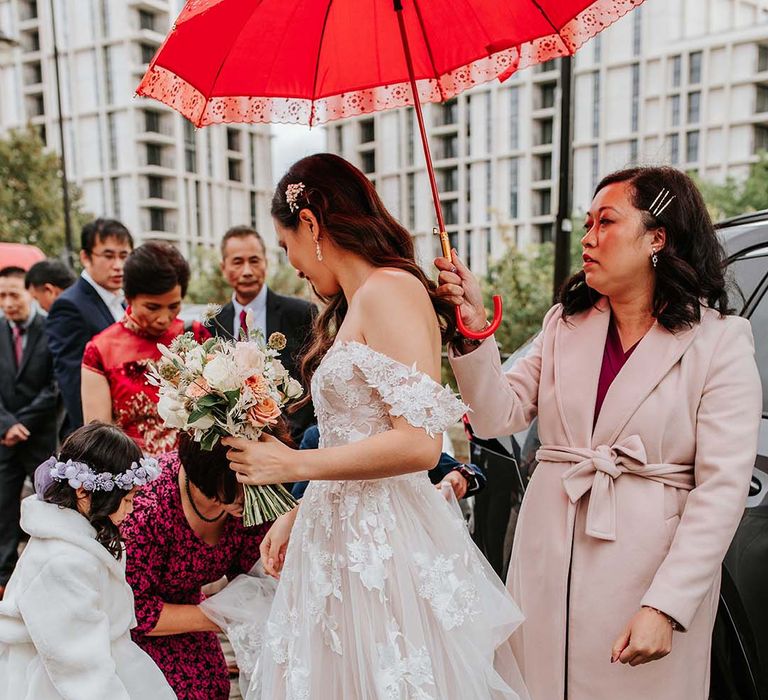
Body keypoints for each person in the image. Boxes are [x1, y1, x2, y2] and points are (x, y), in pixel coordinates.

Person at [438, 166, 762, 700]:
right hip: (547, 551)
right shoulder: (564, 324)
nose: (588, 238)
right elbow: (498, 416)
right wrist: (472, 327)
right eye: (587, 223)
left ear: (657, 237)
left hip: (645, 570)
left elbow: (722, 489)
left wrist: (666, 605)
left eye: (605, 222)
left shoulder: (719, 342)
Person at [222, 154, 528, 699]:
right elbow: (354, 435)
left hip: (383, 543)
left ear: (311, 225)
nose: (290, 263)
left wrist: (294, 464)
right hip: (338, 531)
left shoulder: (391, 290)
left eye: (286, 242)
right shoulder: (361, 301)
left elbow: (418, 443)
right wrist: (300, 508)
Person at [0, 422, 174, 700]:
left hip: (102, 655)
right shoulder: (62, 563)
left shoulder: (87, 535)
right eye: (126, 500)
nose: (131, 509)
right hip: (58, 680)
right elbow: (77, 664)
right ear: (83, 491)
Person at [122, 432, 270, 700]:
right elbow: (133, 610)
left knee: (215, 686)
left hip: (191, 610)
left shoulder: (246, 500)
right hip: (133, 626)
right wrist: (227, 617)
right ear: (211, 474)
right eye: (243, 484)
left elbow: (253, 570)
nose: (253, 492)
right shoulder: (148, 509)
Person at [81, 242, 208, 455]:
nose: (163, 318)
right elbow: (99, 439)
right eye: (152, 307)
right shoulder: (100, 350)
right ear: (129, 297)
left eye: (174, 306)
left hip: (194, 471)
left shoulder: (194, 336)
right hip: (136, 473)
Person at [208, 225, 316, 440]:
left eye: (254, 260)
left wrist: (293, 433)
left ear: (266, 263)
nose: (247, 271)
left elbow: (312, 376)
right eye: (238, 262)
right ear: (223, 267)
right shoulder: (214, 322)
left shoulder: (300, 313)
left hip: (294, 437)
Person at [0, 267, 58, 598]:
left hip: (40, 437)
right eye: (1, 295)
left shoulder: (50, 327)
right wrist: (7, 424)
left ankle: (46, 576)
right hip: (3, 438)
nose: (7, 302)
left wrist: (23, 423)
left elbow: (55, 387)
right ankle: (4, 580)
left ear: (28, 293)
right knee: (3, 510)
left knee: (48, 505)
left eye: (13, 294)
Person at [46, 218, 134, 435]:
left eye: (124, 256)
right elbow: (73, 383)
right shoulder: (69, 305)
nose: (118, 266)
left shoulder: (123, 301)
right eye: (108, 256)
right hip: (99, 435)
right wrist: (96, 443)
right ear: (85, 257)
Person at [290, 424, 486, 501]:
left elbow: (472, 473)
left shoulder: (401, 443)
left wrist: (459, 476)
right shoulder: (318, 437)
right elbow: (299, 497)